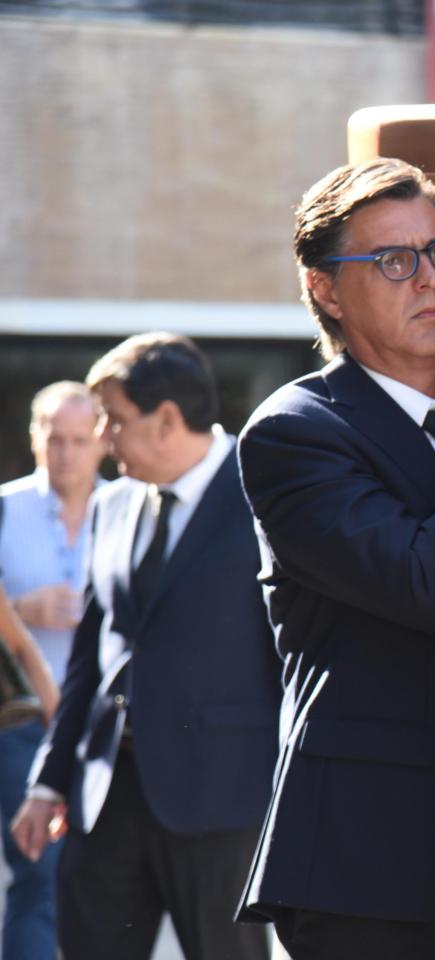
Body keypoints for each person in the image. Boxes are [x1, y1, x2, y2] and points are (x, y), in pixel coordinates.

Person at [236, 157, 435, 958]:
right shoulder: (296, 432)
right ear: (325, 289)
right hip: (372, 870)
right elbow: (423, 580)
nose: (429, 281)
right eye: (393, 261)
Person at [8, 333, 280, 959]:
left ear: (166, 422)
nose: (103, 436)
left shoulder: (264, 497)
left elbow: (291, 655)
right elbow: (88, 660)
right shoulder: (113, 504)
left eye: (113, 420)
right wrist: (50, 781)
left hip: (221, 801)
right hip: (106, 795)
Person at [0, 380, 97, 959]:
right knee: (39, 873)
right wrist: (24, 611)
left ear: (99, 443)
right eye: (54, 438)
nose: (65, 453)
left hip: (100, 725)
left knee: (97, 882)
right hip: (24, 725)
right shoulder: (6, 509)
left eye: (78, 440)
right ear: (35, 438)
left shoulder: (126, 507)